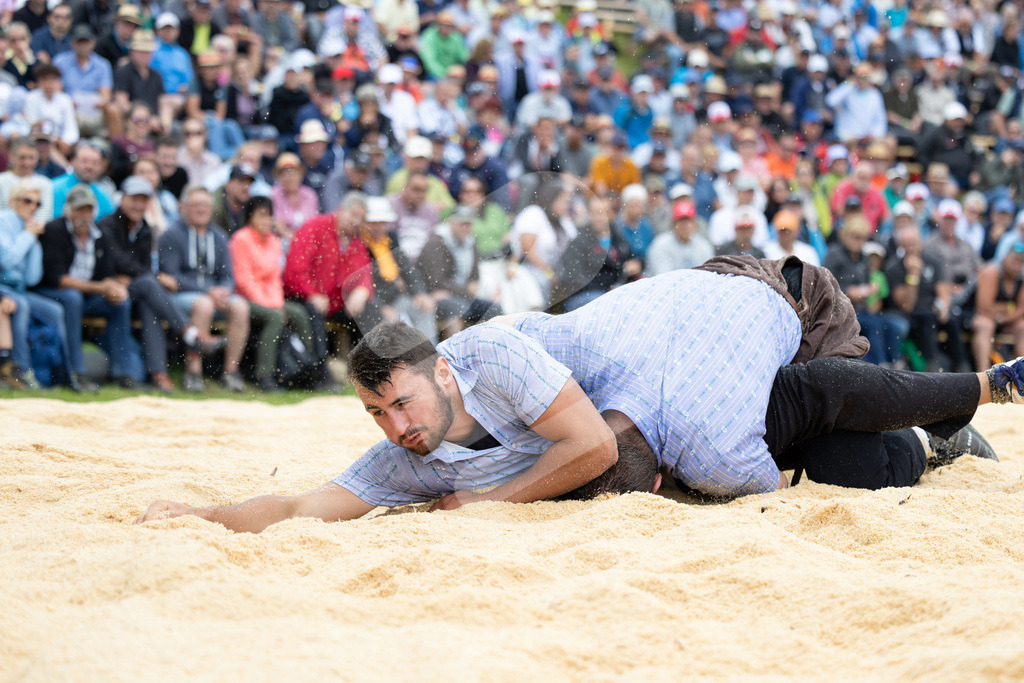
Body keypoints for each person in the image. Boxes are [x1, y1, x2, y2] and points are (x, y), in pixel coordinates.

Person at [136, 270, 1024, 530]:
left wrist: (481, 502)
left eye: (400, 404)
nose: (396, 428)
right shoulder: (410, 450)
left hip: (752, 323)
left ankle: (971, 397)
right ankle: (935, 443)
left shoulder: (495, 355)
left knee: (821, 391)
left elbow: (594, 451)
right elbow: (301, 502)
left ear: (441, 370)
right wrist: (203, 514)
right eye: (376, 415)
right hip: (680, 429)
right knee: (847, 464)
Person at [98, 176, 222, 394]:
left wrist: (135, 275)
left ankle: (159, 374)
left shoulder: (144, 228)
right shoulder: (107, 225)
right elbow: (115, 261)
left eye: (143, 200)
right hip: (104, 290)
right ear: (122, 199)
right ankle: (189, 335)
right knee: (149, 284)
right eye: (134, 199)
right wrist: (144, 275)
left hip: (133, 289)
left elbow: (132, 265)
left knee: (151, 303)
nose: (138, 205)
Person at [33, 186, 135, 389]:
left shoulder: (100, 235)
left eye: (88, 210)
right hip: (50, 293)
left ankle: (123, 373)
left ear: (94, 212)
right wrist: (101, 287)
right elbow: (57, 278)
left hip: (86, 295)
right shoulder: (54, 230)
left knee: (120, 304)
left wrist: (116, 289)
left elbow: (106, 275)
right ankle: (76, 372)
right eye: (79, 210)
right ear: (68, 210)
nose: (83, 215)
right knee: (72, 297)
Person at [159, 185, 251, 393]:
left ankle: (231, 371)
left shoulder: (219, 236)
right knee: (204, 305)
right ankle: (193, 372)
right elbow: (171, 277)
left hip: (214, 294)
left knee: (240, 307)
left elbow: (228, 275)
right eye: (195, 205)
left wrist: (224, 291)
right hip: (181, 296)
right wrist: (207, 290)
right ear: (183, 207)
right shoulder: (171, 235)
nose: (201, 210)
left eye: (205, 205)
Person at [229, 196, 314, 393]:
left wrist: (275, 303)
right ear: (250, 217)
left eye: (269, 216)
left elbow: (275, 278)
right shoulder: (241, 239)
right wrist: (271, 306)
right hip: (245, 299)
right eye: (261, 216)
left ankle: (307, 367)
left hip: (270, 299)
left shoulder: (274, 241)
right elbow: (244, 280)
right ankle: (264, 375)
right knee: (275, 317)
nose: (266, 221)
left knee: (299, 313)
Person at [417, 205, 502, 338]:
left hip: (461, 296)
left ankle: (485, 347)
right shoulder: (436, 242)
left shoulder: (471, 243)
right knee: (457, 308)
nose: (465, 227)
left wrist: (468, 289)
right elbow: (436, 281)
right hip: (435, 296)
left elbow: (475, 276)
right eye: (461, 223)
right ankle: (452, 352)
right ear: (451, 222)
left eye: (468, 224)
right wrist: (466, 290)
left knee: (494, 309)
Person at [972, 243, 1024, 370]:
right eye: (1014, 261)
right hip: (975, 316)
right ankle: (984, 375)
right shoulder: (991, 272)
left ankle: (1020, 376)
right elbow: (983, 307)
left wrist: (1002, 317)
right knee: (986, 325)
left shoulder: (1021, 278)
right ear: (1005, 259)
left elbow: (1021, 309)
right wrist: (1008, 309)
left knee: (1022, 326)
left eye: (1020, 263)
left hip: (1004, 320)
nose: (1017, 266)